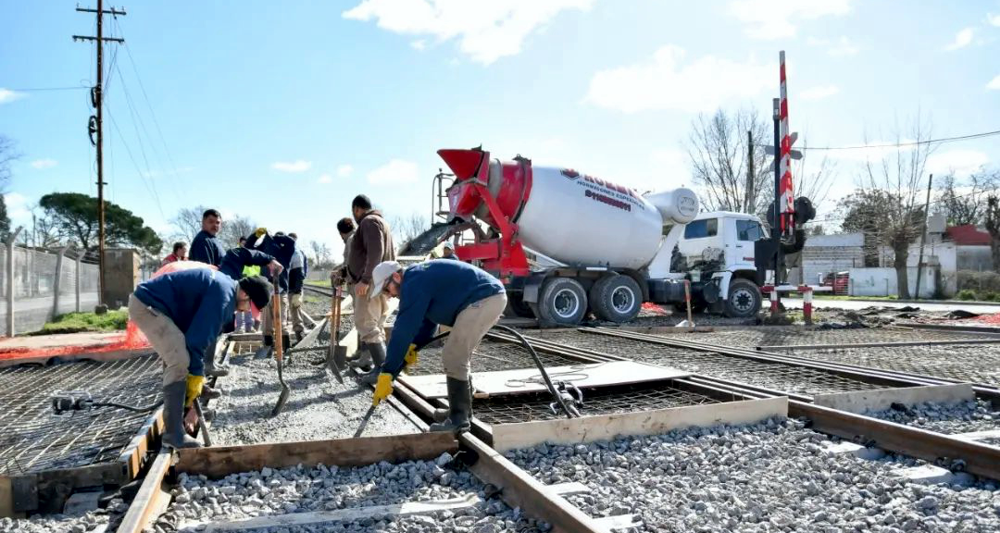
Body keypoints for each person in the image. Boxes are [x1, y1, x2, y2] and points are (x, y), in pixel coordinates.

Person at [129, 269, 272, 448]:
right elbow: (195, 344)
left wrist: (197, 381)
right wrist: (194, 388)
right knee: (179, 360)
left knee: (179, 353)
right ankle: (173, 433)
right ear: (244, 293)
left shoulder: (226, 288)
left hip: (159, 306)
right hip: (148, 306)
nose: (246, 312)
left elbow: (203, 338)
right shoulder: (223, 299)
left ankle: (183, 400)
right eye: (249, 306)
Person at [368, 260, 506, 433]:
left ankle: (458, 419)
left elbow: (403, 328)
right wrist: (412, 347)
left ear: (396, 276)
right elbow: (427, 325)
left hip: (486, 298)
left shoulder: (413, 282)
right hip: (486, 297)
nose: (388, 295)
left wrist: (387, 371)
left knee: (454, 354)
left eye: (387, 289)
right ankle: (461, 411)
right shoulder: (417, 279)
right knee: (458, 355)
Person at [347, 196, 395, 382]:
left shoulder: (368, 221)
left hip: (372, 281)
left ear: (357, 209)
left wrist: (365, 279)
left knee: (366, 322)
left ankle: (382, 373)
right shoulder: (381, 222)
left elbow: (376, 251)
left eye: (354, 212)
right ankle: (380, 369)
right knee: (375, 324)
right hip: (379, 279)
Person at [287, 233, 308, 341]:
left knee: (295, 310)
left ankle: (300, 336)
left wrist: (298, 291)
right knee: (292, 310)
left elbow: (300, 272)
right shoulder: (294, 251)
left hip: (294, 287)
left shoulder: (296, 252)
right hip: (290, 286)